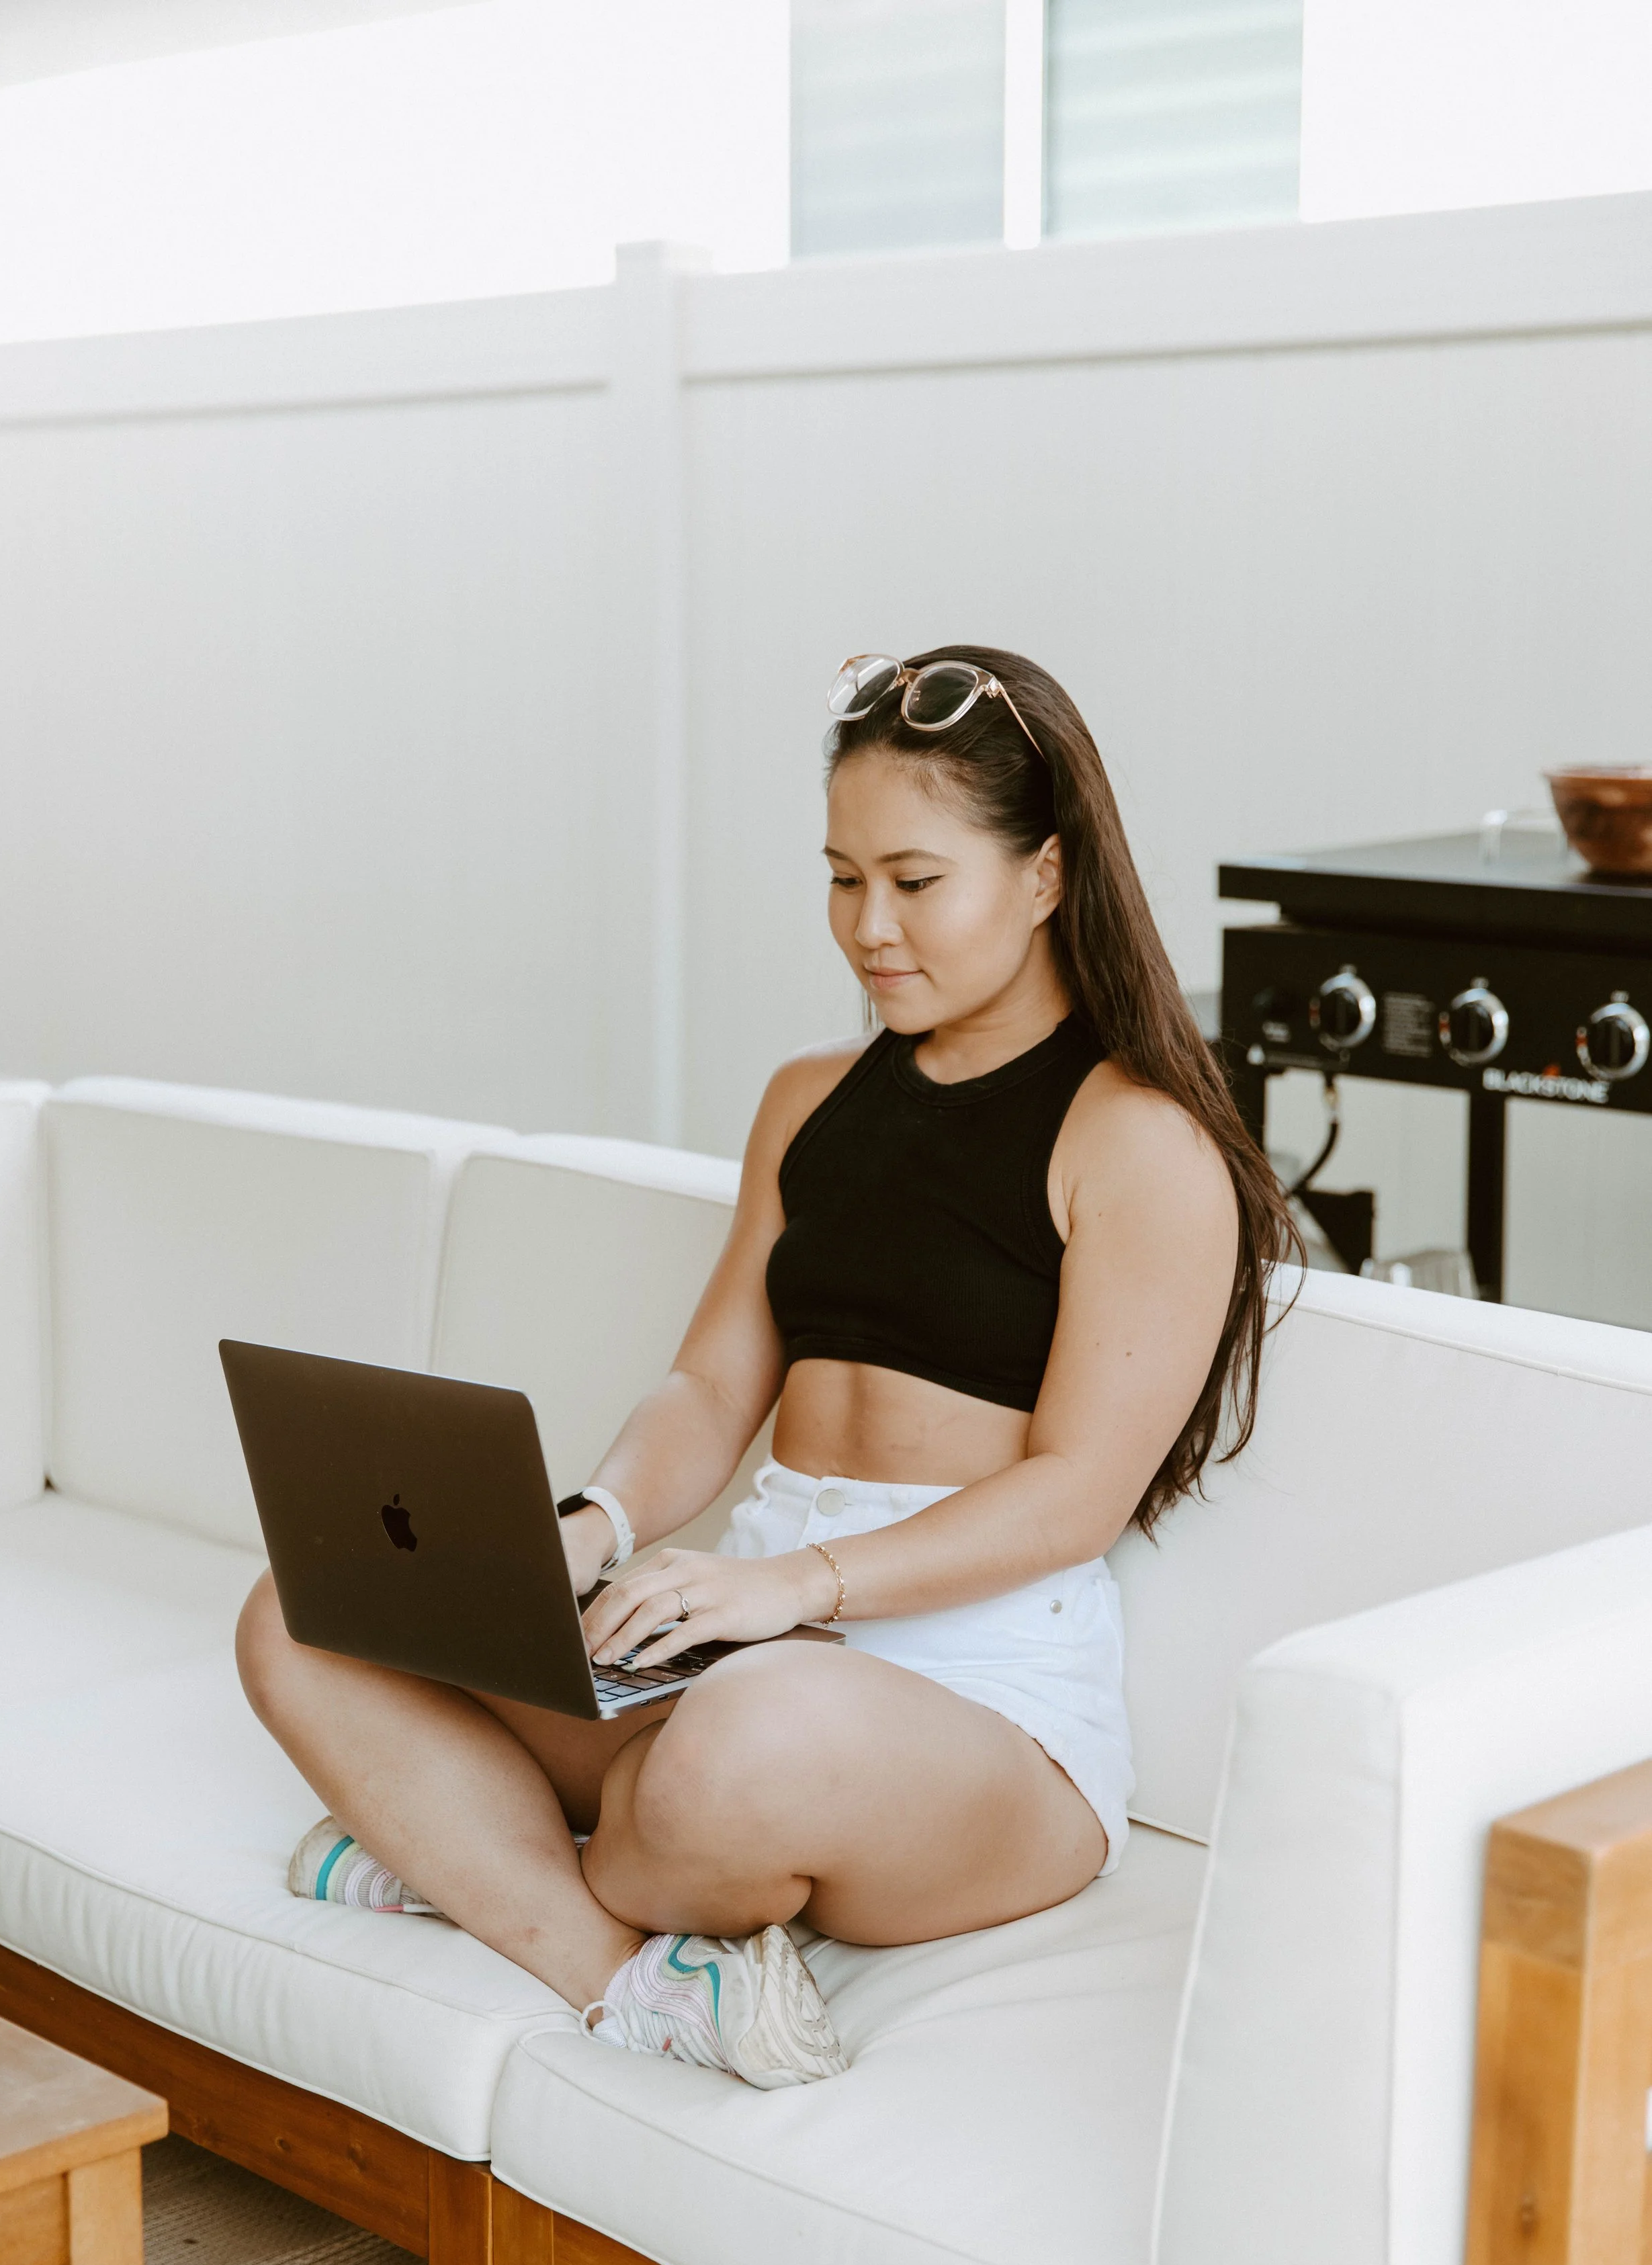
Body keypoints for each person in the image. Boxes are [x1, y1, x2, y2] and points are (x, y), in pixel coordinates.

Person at [236, 646, 1297, 2090]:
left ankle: (462, 1853)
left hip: (975, 1714)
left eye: (915, 883)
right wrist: (596, 1526)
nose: (868, 925)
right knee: (304, 1607)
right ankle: (624, 1973)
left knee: (738, 1742)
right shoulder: (807, 1101)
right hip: (733, 1647)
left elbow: (1073, 1496)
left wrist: (787, 1594)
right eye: (840, 876)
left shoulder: (1140, 1142)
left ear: (1043, 877)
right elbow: (708, 1393)